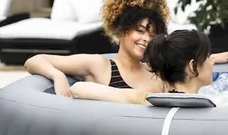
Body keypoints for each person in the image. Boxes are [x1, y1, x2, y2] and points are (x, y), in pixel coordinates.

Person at [24, 0, 169, 96]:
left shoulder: (156, 76)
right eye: (140, 31)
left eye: (152, 35)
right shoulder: (99, 65)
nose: (146, 39)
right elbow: (34, 61)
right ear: (122, 29)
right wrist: (57, 76)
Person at [70, 29, 213, 105]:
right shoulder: (212, 108)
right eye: (207, 57)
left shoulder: (152, 102)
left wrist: (142, 98)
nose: (211, 62)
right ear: (193, 67)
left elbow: (77, 88)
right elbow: (78, 88)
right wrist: (141, 97)